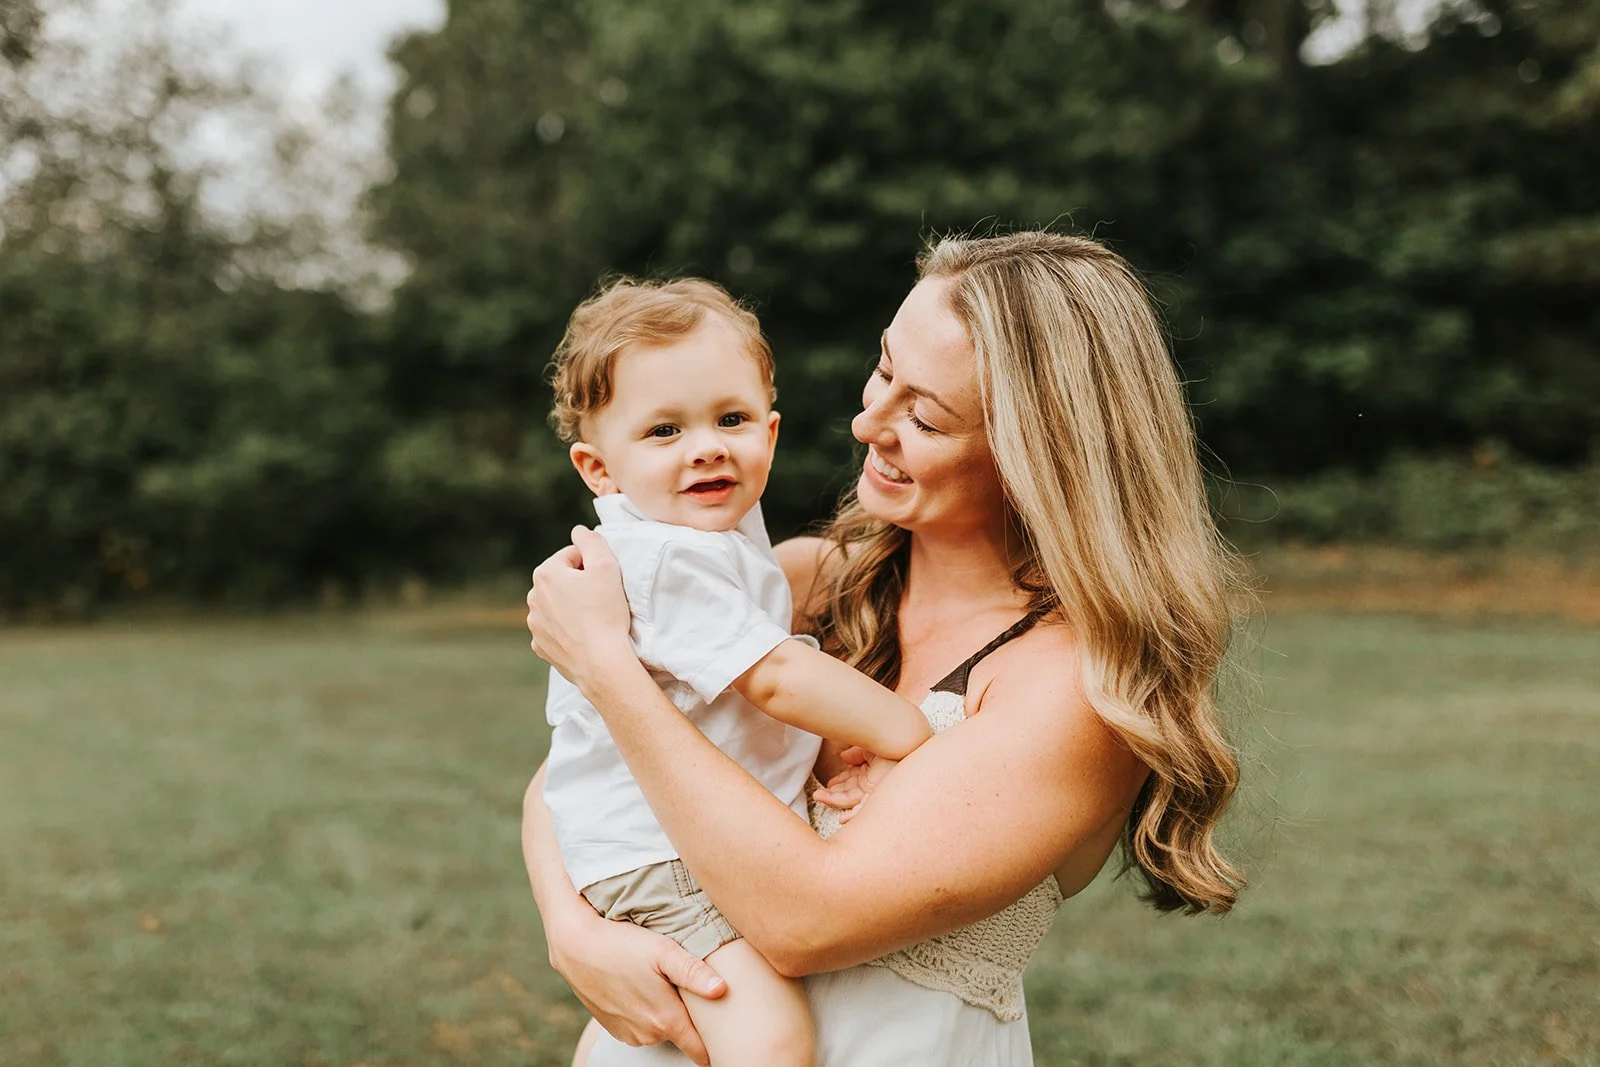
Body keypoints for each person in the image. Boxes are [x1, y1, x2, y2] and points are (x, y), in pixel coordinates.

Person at [524, 231, 1248, 1067]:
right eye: (883, 369)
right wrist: (572, 930)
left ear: (1037, 455)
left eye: (925, 415)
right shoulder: (809, 582)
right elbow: (568, 774)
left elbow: (804, 921)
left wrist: (609, 668)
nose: (868, 420)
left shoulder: (1075, 685)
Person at [540, 276, 936, 1067]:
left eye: (731, 418)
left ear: (771, 431)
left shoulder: (717, 533)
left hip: (669, 840)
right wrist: (906, 730)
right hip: (660, 854)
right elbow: (776, 679)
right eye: (663, 431)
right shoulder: (662, 559)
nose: (707, 445)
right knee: (770, 1040)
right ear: (598, 468)